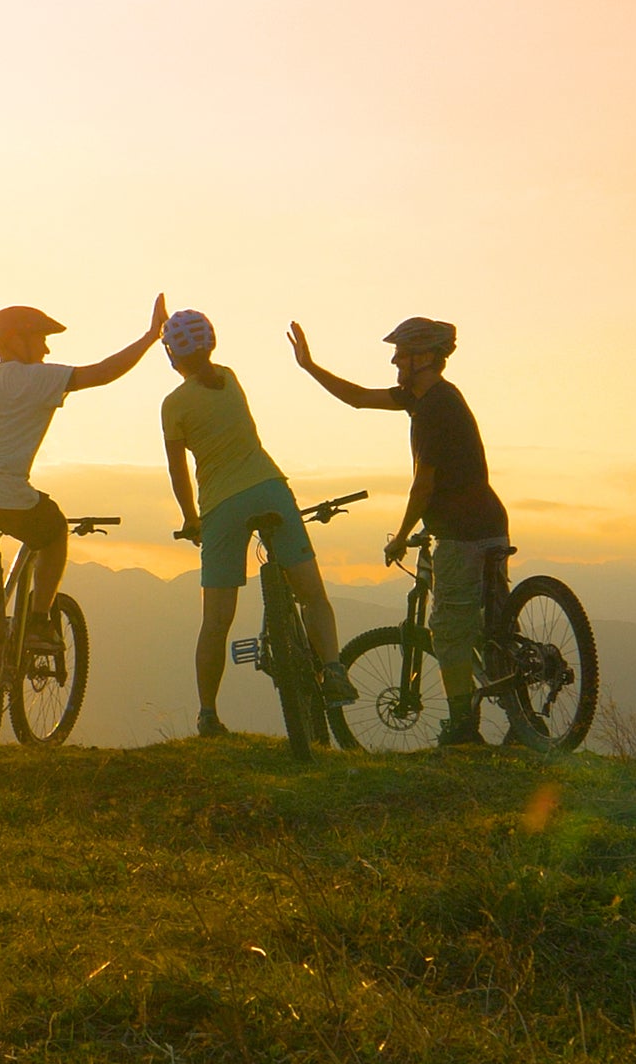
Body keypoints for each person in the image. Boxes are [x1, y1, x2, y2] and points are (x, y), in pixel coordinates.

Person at [0, 296, 168, 751]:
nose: (47, 350)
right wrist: (150, 338)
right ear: (15, 340)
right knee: (53, 531)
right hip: (7, 498)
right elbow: (103, 372)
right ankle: (38, 619)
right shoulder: (35, 379)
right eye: (42, 339)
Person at [287, 316, 509, 745]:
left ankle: (463, 729)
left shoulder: (432, 410)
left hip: (462, 533)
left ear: (424, 358)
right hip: (489, 521)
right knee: (490, 625)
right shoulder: (431, 398)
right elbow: (357, 399)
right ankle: (523, 716)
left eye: (402, 355)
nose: (394, 361)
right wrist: (309, 366)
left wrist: (401, 534)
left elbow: (423, 483)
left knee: (448, 630)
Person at [159, 309, 356, 737]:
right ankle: (334, 668)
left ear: (171, 354)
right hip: (269, 488)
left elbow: (178, 472)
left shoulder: (173, 405)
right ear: (212, 343)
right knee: (312, 595)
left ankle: (208, 715)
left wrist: (190, 519)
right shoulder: (229, 377)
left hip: (220, 508)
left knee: (216, 621)